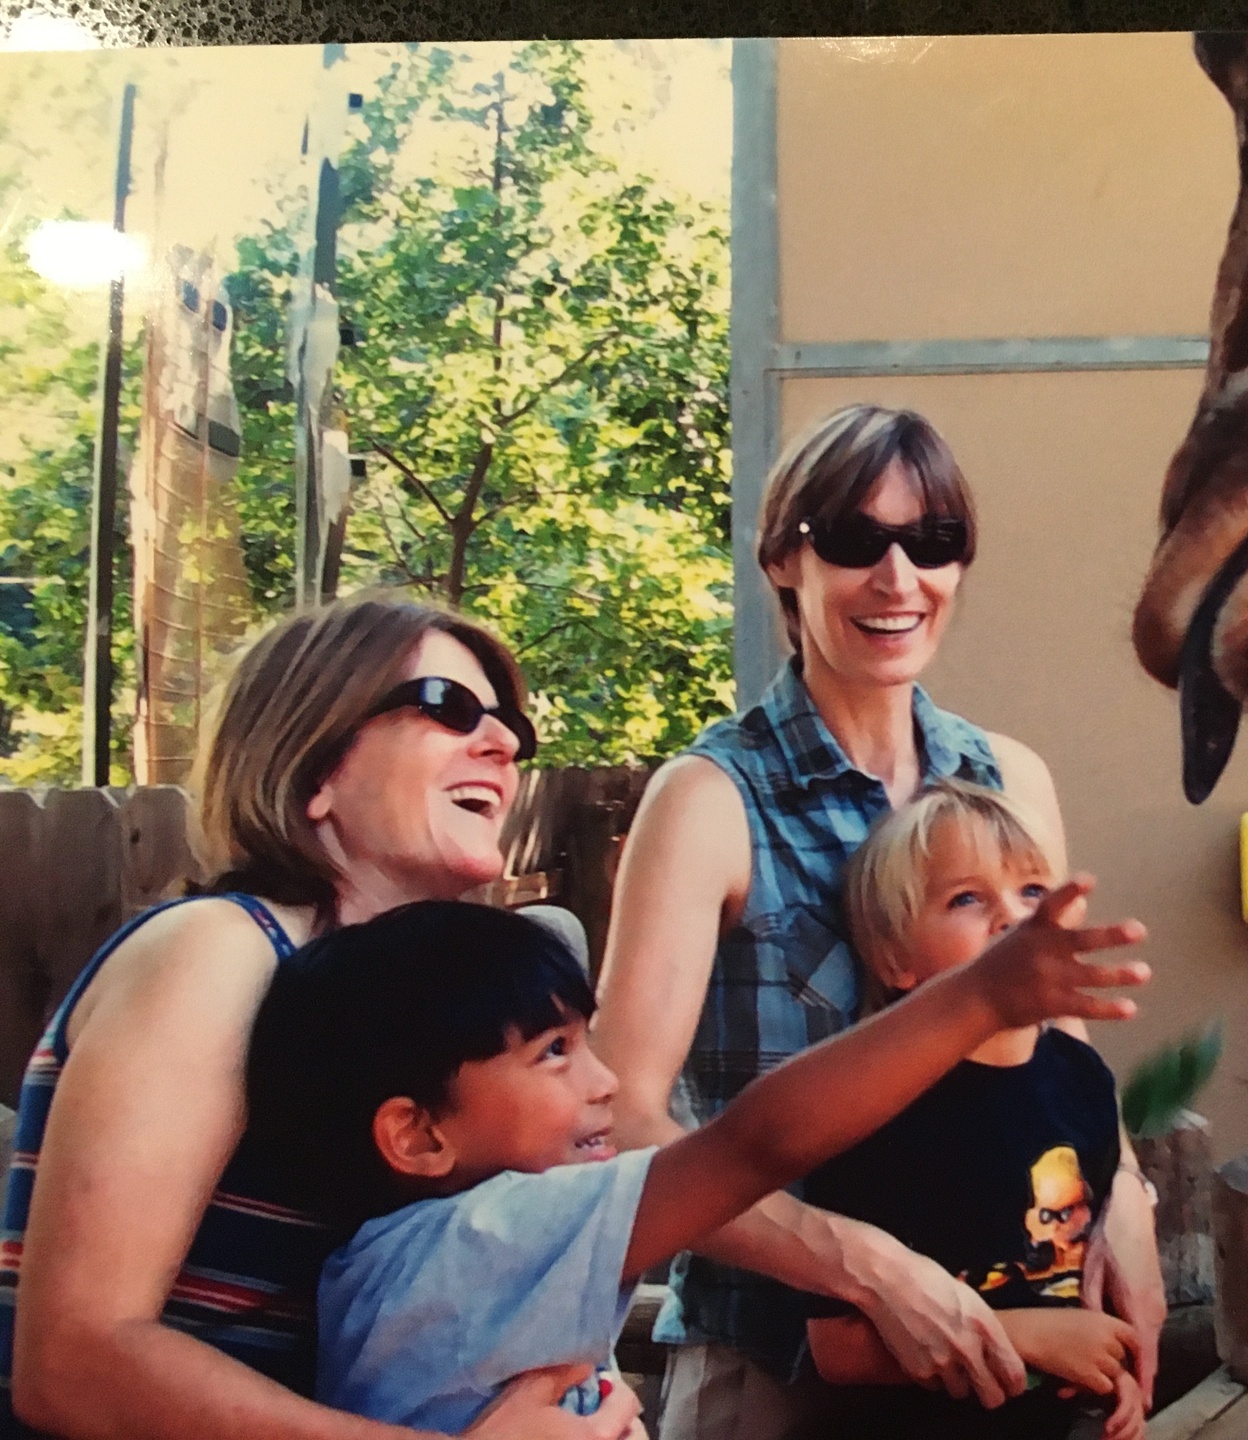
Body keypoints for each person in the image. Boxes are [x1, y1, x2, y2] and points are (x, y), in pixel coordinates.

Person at [595, 405, 1167, 1440]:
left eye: (932, 541)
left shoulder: (1009, 777)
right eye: (857, 541)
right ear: (784, 559)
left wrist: (1124, 1198)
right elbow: (620, 1119)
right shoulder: (713, 797)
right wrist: (864, 1267)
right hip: (781, 1367)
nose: (898, 578)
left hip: (1011, 1376)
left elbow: (1063, 1045)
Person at [1, 594, 642, 1440]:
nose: (504, 743)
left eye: (509, 724)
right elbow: (73, 1362)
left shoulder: (420, 1011)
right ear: (316, 767)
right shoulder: (221, 952)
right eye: (448, 707)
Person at [245, 889, 1144, 1436]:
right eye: (554, 1054)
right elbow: (754, 1149)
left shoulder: (385, 1268)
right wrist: (978, 997)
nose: (605, 1082)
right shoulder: (484, 1237)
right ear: (417, 1137)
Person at [800, 780, 1148, 1440]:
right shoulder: (873, 1107)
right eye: (967, 898)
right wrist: (1019, 1336)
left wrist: (1111, 1377)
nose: (1011, 918)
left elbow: (1082, 1274)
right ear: (895, 959)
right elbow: (836, 1349)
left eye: (1032, 891)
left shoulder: (1082, 1080)